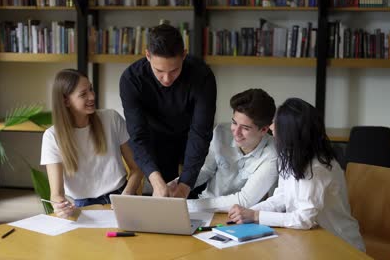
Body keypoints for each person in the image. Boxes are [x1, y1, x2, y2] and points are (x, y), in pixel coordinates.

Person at [228, 98, 365, 252]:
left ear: (291, 131)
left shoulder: (318, 168)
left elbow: (304, 219)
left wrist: (255, 216)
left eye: (276, 123)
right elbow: (281, 198)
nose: (272, 127)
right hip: (310, 237)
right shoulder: (290, 155)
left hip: (339, 245)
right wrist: (249, 212)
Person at [119, 24, 217, 198]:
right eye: (159, 71)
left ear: (184, 55)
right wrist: (156, 181)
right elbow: (137, 135)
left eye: (174, 70)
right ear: (148, 55)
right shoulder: (131, 79)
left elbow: (200, 132)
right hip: (154, 137)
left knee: (193, 195)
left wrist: (186, 184)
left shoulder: (203, 76)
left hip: (190, 136)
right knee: (163, 193)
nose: (166, 79)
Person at [41, 69, 143, 218]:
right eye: (83, 94)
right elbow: (56, 195)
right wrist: (60, 206)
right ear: (65, 101)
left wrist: (126, 194)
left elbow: (137, 168)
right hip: (82, 205)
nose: (92, 96)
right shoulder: (52, 136)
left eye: (91, 89)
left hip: (120, 196)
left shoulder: (111, 119)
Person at [176, 89, 278, 212]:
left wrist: (189, 205)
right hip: (204, 207)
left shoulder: (273, 154)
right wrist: (176, 186)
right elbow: (205, 170)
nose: (236, 132)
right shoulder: (221, 132)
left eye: (245, 128)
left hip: (241, 217)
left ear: (264, 130)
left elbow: (244, 200)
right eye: (234, 123)